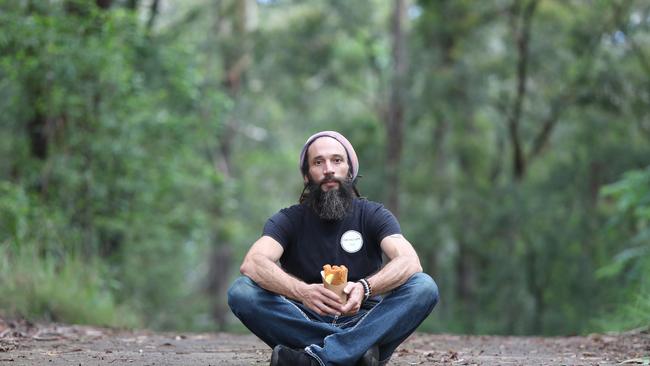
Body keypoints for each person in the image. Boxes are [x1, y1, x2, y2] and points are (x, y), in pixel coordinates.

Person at [228, 131, 439, 366]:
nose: (328, 169)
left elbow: (410, 261)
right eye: (318, 162)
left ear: (350, 170)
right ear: (307, 175)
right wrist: (302, 292)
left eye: (337, 160)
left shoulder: (373, 215)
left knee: (424, 286)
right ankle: (356, 353)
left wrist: (365, 288)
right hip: (302, 319)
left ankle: (313, 359)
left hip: (364, 320)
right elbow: (253, 262)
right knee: (242, 291)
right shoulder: (288, 220)